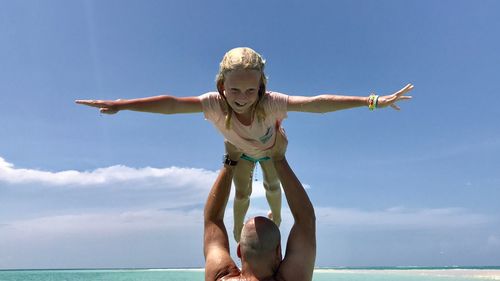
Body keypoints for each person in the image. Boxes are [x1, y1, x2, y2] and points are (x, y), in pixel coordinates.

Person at [76, 47, 413, 242]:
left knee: (271, 184)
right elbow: (172, 103)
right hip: (238, 152)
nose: (241, 98)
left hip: (270, 150)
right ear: (222, 86)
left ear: (261, 88)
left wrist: (372, 101)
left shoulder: (271, 103)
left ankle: (276, 221)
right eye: (234, 90)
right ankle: (239, 233)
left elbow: (317, 103)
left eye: (250, 90)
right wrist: (124, 104)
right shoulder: (215, 103)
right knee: (240, 194)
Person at [204, 130, 316, 281]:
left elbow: (212, 219)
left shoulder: (221, 278)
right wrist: (279, 159)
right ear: (279, 252)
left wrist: (230, 161)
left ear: (239, 251)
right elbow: (306, 220)